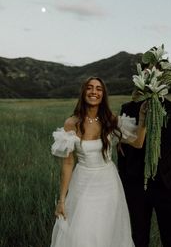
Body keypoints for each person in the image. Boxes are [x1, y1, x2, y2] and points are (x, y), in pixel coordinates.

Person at [50, 76, 146, 247]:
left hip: (109, 183)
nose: (94, 91)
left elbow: (137, 143)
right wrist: (62, 200)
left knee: (108, 230)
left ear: (103, 95)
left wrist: (143, 117)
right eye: (90, 88)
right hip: (83, 182)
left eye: (99, 89)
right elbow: (68, 163)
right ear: (83, 92)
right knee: (83, 233)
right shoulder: (71, 123)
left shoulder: (111, 120)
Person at [117, 52, 171, 247]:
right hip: (136, 185)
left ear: (162, 76)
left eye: (157, 70)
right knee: (139, 237)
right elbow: (121, 148)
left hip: (167, 184)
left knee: (170, 238)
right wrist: (125, 179)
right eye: (148, 70)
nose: (152, 74)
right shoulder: (127, 108)